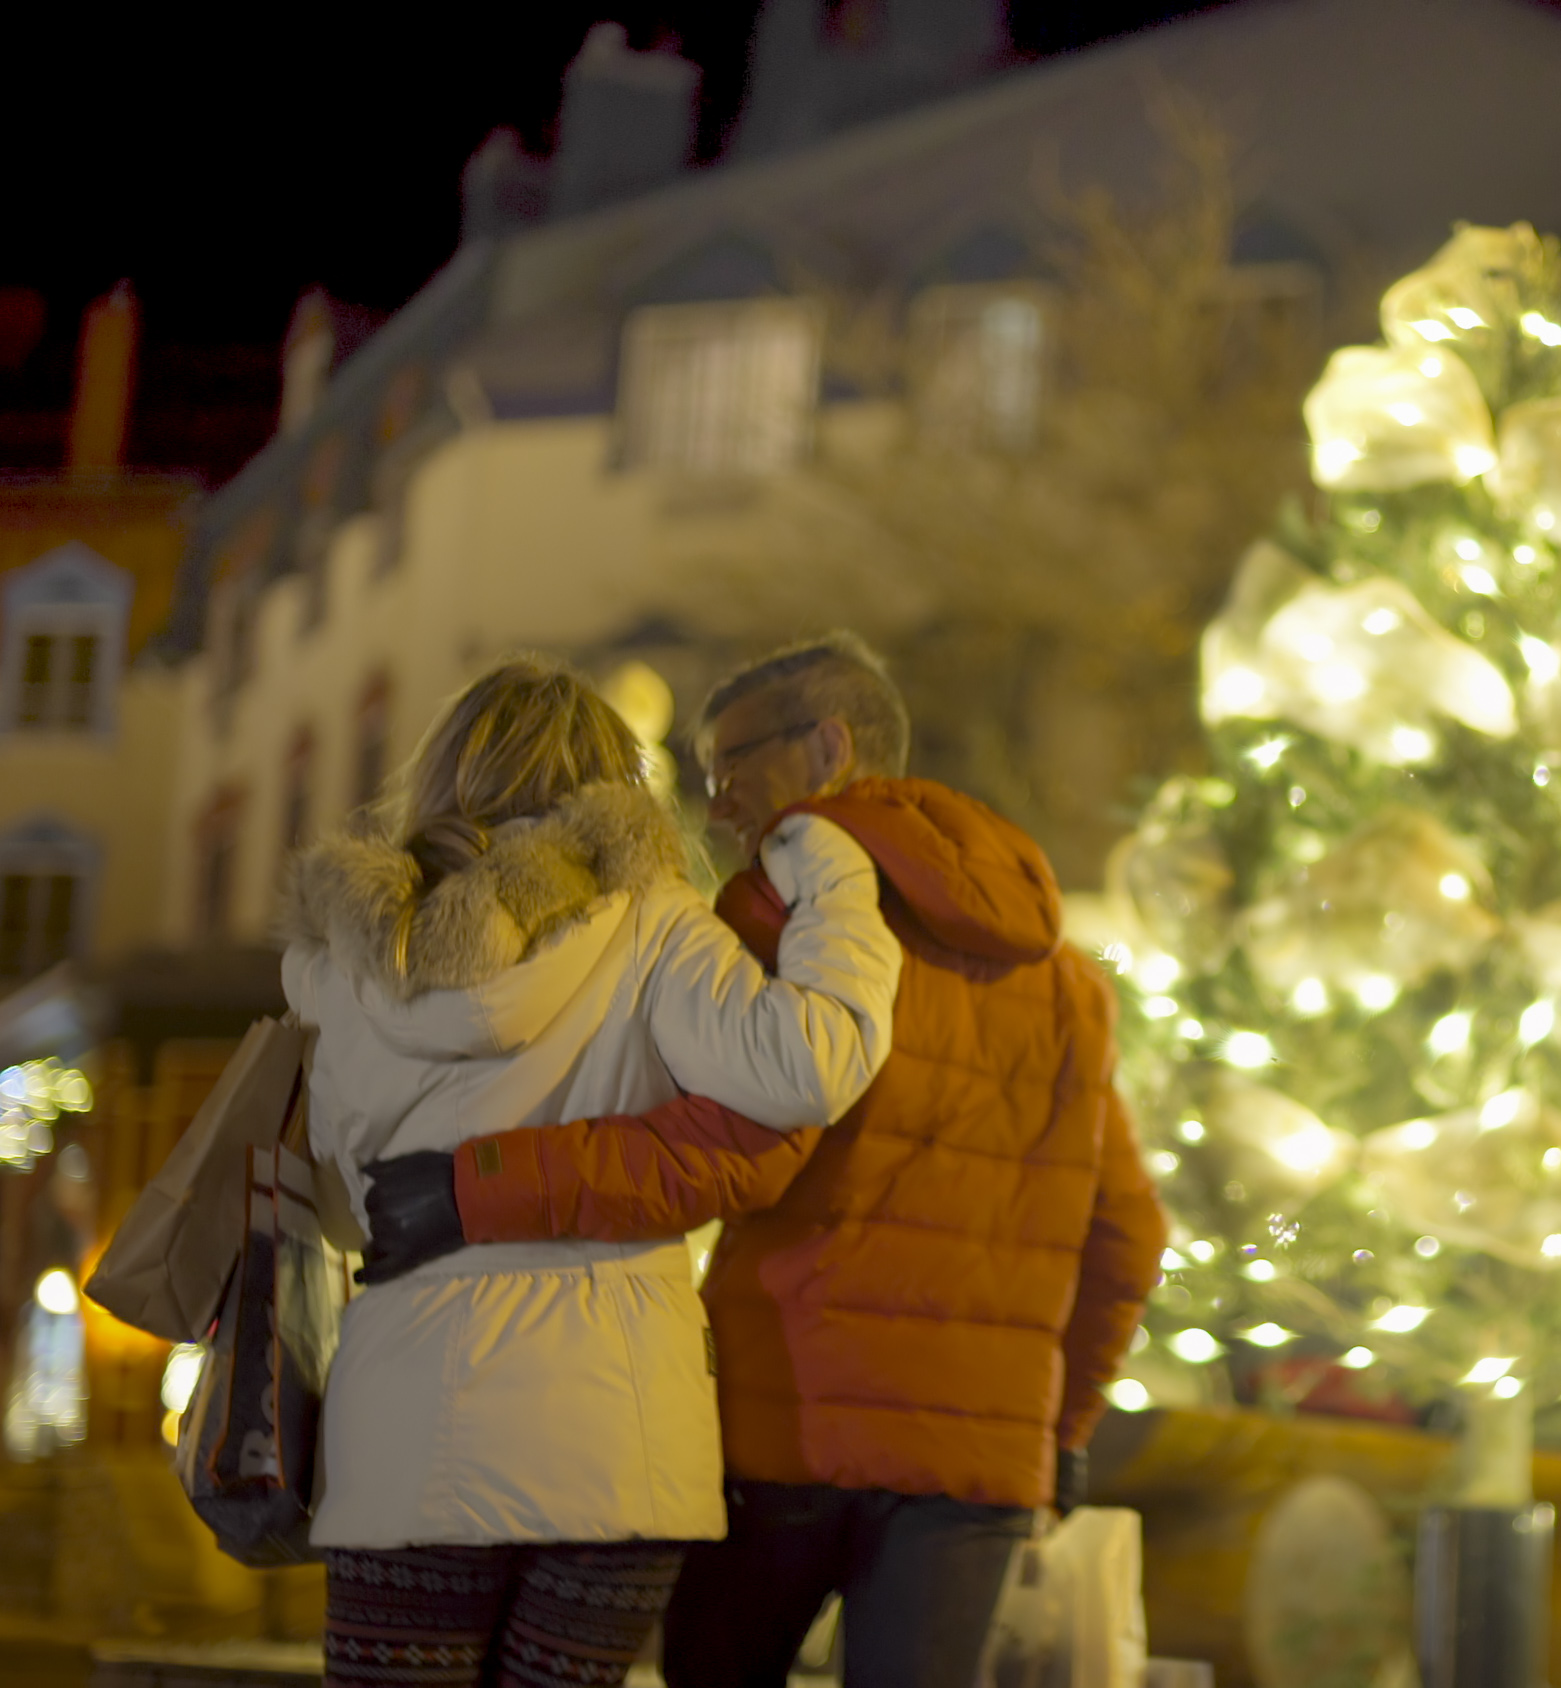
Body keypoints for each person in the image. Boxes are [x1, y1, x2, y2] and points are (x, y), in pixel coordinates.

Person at [359, 632, 1168, 1688]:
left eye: (729, 767)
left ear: (828, 744)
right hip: (981, 1461)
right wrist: (1064, 1424)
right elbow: (1128, 1231)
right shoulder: (1066, 980)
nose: (715, 805)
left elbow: (727, 1154)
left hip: (780, 1418)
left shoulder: (779, 913)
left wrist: (474, 1184)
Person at [282, 657, 904, 1688]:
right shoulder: (653, 923)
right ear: (611, 784)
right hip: (616, 1443)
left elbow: (349, 1203)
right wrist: (836, 876)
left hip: (406, 1434)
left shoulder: (349, 955)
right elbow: (809, 1064)